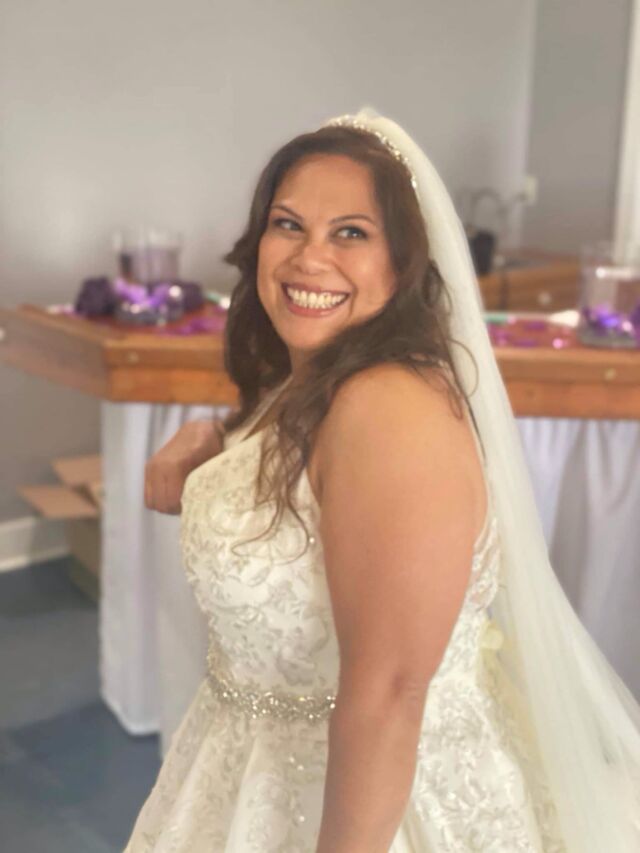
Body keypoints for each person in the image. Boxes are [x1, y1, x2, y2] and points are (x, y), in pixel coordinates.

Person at [127, 111, 640, 852]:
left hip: (370, 808)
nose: (310, 258)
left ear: (404, 262)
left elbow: (391, 695)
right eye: (288, 224)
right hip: (250, 775)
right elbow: (304, 482)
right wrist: (211, 441)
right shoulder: (319, 378)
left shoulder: (390, 407)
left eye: (351, 233)